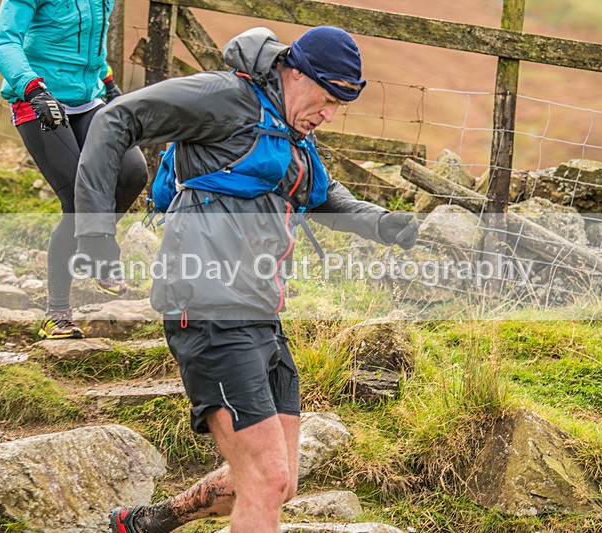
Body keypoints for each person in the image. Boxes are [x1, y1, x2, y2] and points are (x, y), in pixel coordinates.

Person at [73, 26, 418, 533]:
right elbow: (116, 118)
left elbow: (323, 195)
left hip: (261, 314)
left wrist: (383, 223)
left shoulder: (293, 135)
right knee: (266, 476)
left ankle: (153, 521)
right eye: (326, 99)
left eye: (338, 106)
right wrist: (96, 233)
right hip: (208, 307)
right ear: (295, 72)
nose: (328, 114)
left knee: (280, 482)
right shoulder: (224, 98)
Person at [0, 0, 148, 339]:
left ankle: (96, 246)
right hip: (38, 97)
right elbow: (3, 41)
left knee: (133, 171)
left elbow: (94, 41)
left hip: (89, 99)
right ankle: (57, 311)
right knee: (77, 200)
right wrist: (32, 88)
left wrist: (108, 83)